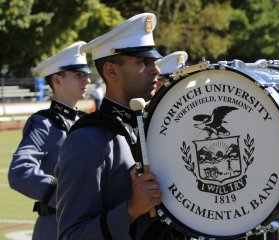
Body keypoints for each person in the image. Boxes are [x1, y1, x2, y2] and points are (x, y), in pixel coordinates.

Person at [55, 13, 168, 240]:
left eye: (153, 61)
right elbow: (71, 235)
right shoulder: (87, 140)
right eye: (142, 62)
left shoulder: (153, 128)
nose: (155, 70)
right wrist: (132, 209)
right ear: (111, 71)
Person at [7, 41, 91, 240]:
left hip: (88, 227)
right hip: (55, 228)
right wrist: (66, 194)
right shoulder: (43, 123)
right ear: (57, 79)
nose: (87, 80)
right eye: (78, 75)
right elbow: (20, 171)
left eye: (87, 74)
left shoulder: (85, 122)